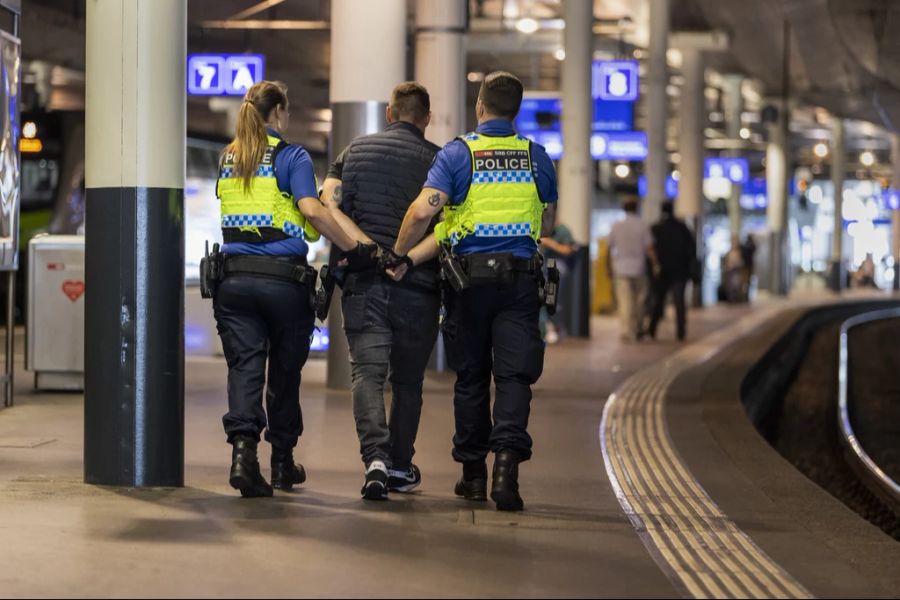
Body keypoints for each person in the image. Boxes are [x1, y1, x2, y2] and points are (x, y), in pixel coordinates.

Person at [389, 71, 558, 512]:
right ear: (516, 111)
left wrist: (399, 252)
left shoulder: (457, 154)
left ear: (479, 106)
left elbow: (421, 211)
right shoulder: (537, 157)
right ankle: (506, 467)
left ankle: (474, 474)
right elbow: (550, 224)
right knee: (514, 375)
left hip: (468, 284)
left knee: (472, 377)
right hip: (520, 282)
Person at [214, 81, 373, 498]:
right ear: (279, 111)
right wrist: (356, 248)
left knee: (245, 368)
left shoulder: (228, 157)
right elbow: (311, 210)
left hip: (233, 281)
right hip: (282, 282)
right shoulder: (292, 156)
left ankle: (243, 456)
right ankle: (282, 463)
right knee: (284, 374)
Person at [320, 82, 442, 500]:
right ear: (426, 118)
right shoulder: (441, 161)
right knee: (407, 382)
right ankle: (399, 465)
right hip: (418, 287)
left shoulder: (354, 151)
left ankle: (373, 458)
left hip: (364, 283)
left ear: (390, 114)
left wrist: (366, 249)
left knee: (367, 374)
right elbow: (443, 228)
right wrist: (404, 259)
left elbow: (328, 205)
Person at [607, 197, 657, 341]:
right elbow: (650, 248)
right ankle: (638, 328)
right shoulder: (642, 225)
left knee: (625, 301)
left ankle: (626, 331)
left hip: (621, 268)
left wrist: (608, 267)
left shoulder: (616, 225)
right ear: (637, 208)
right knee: (640, 301)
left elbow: (609, 248)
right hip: (639, 268)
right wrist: (655, 264)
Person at [647, 202, 695, 341]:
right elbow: (691, 249)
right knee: (679, 302)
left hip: (662, 272)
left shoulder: (656, 228)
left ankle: (652, 329)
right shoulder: (682, 227)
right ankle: (681, 332)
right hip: (680, 271)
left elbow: (651, 250)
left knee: (658, 301)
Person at [539, 221, 576, 343]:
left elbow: (567, 249)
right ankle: (547, 328)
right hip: (542, 265)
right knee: (543, 300)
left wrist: (549, 242)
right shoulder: (538, 226)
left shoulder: (562, 230)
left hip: (554, 264)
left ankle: (556, 329)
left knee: (553, 299)